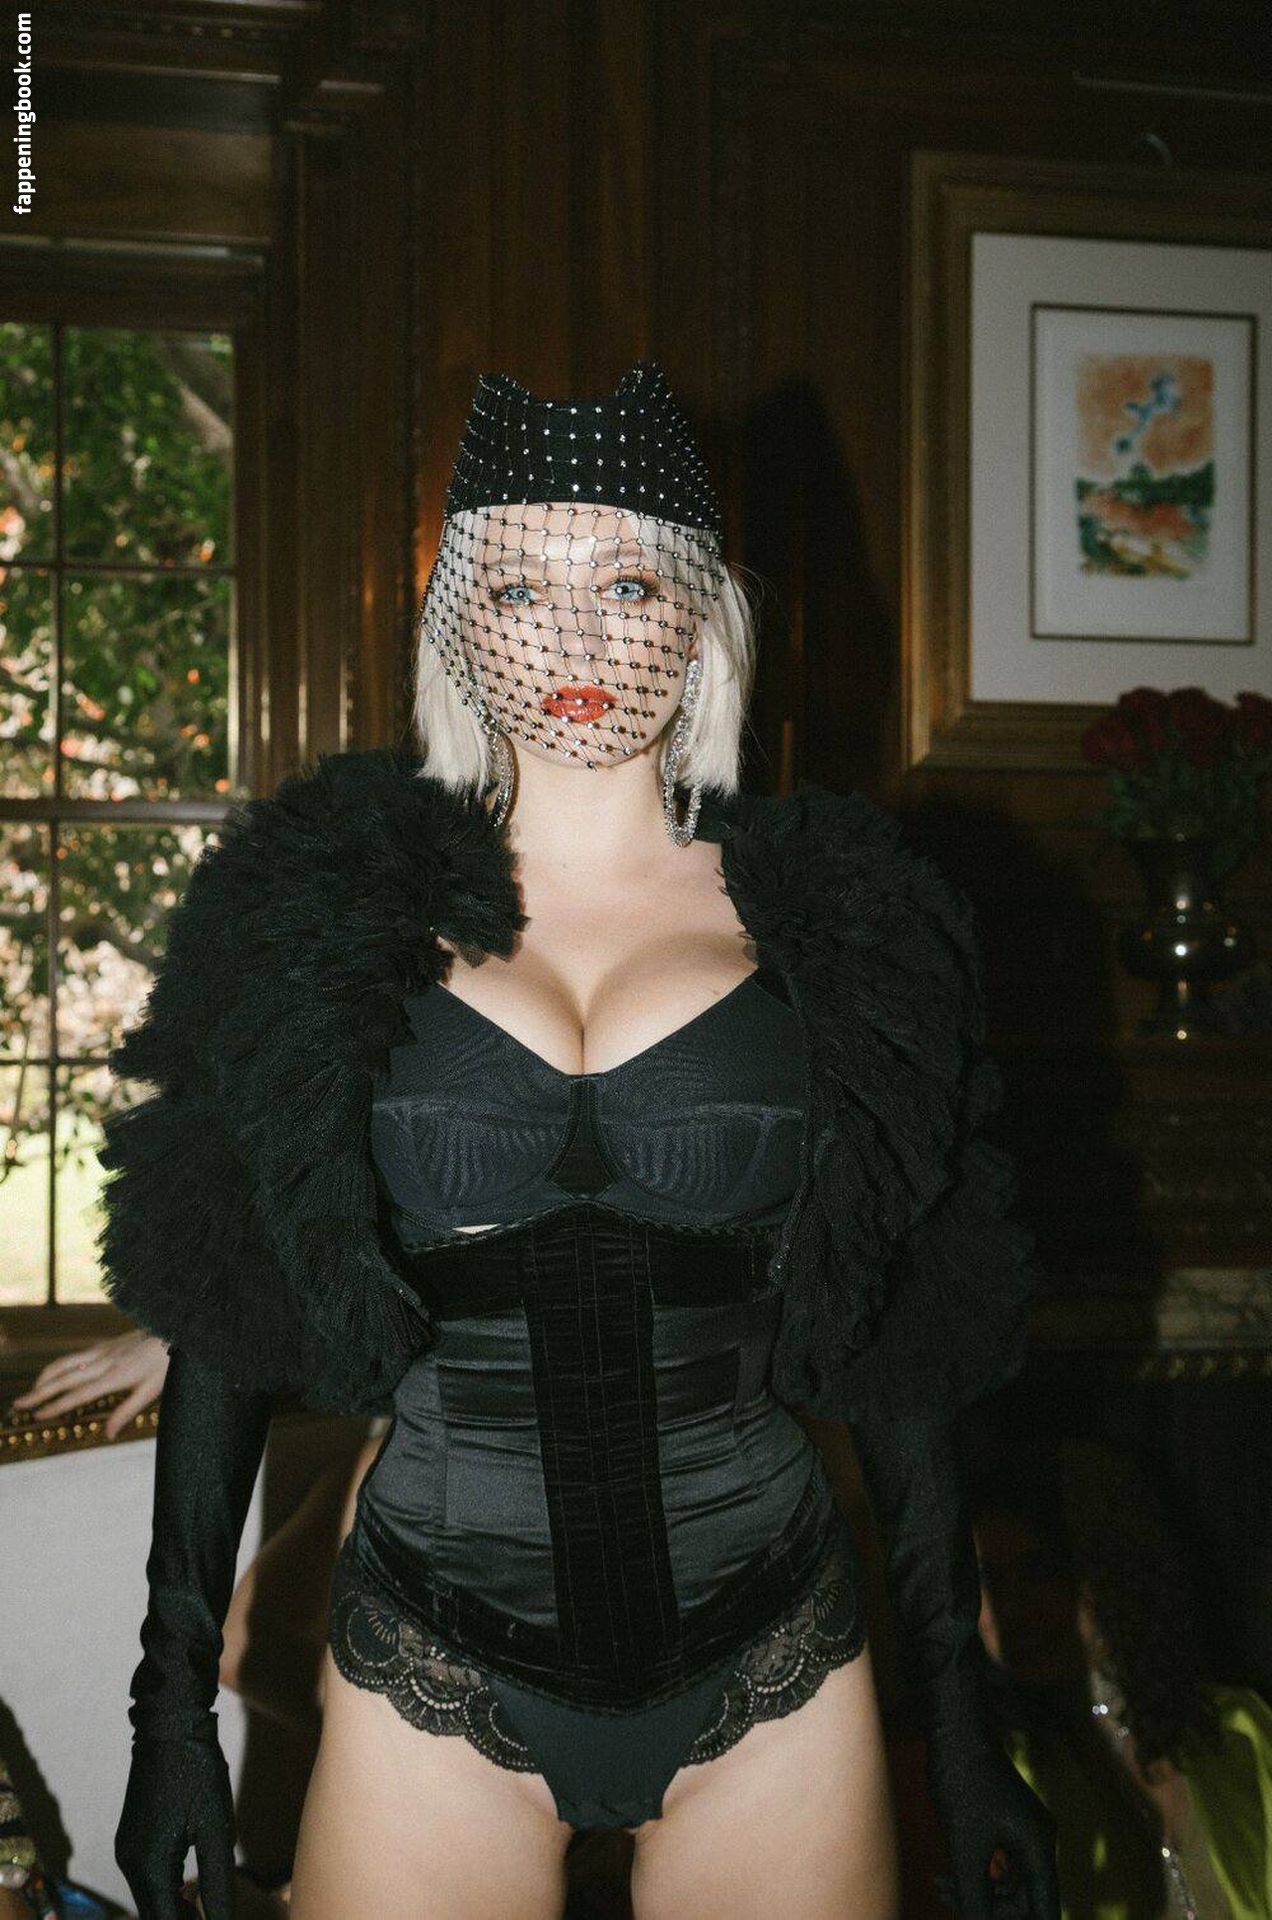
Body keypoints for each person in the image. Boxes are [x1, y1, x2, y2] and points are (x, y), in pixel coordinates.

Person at [100, 361, 1060, 1919]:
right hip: (430, 1657)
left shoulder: (848, 921)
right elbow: (222, 1317)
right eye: (518, 586)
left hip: (779, 1651)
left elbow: (910, 1348)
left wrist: (961, 1722)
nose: (575, 641)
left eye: (625, 582)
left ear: (703, 618)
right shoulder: (320, 914)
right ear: (457, 628)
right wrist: (167, 1722)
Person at [972, 1435, 1272, 1918]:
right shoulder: (1001, 1777)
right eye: (989, 1580)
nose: (1014, 1610)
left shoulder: (1240, 1732)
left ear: (1110, 1570)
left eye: (1038, 1570)